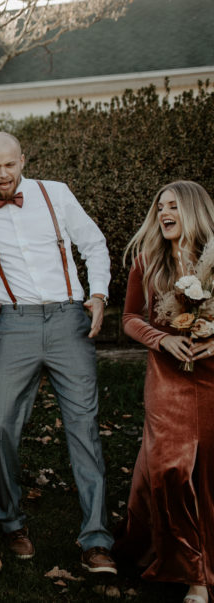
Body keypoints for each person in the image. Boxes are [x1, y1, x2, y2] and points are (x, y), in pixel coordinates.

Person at [0, 131, 116, 573]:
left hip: (70, 319)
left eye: (10, 164)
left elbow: (94, 244)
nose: (3, 174)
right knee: (1, 427)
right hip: (14, 325)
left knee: (84, 427)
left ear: (23, 160)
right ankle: (11, 524)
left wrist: (100, 294)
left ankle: (96, 540)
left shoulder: (56, 195)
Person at [115, 180, 214, 603]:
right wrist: (160, 339)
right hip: (167, 379)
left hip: (210, 378)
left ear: (193, 210)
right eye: (160, 208)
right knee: (170, 470)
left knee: (207, 474)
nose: (164, 214)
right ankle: (193, 572)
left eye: (173, 206)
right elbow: (129, 317)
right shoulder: (147, 260)